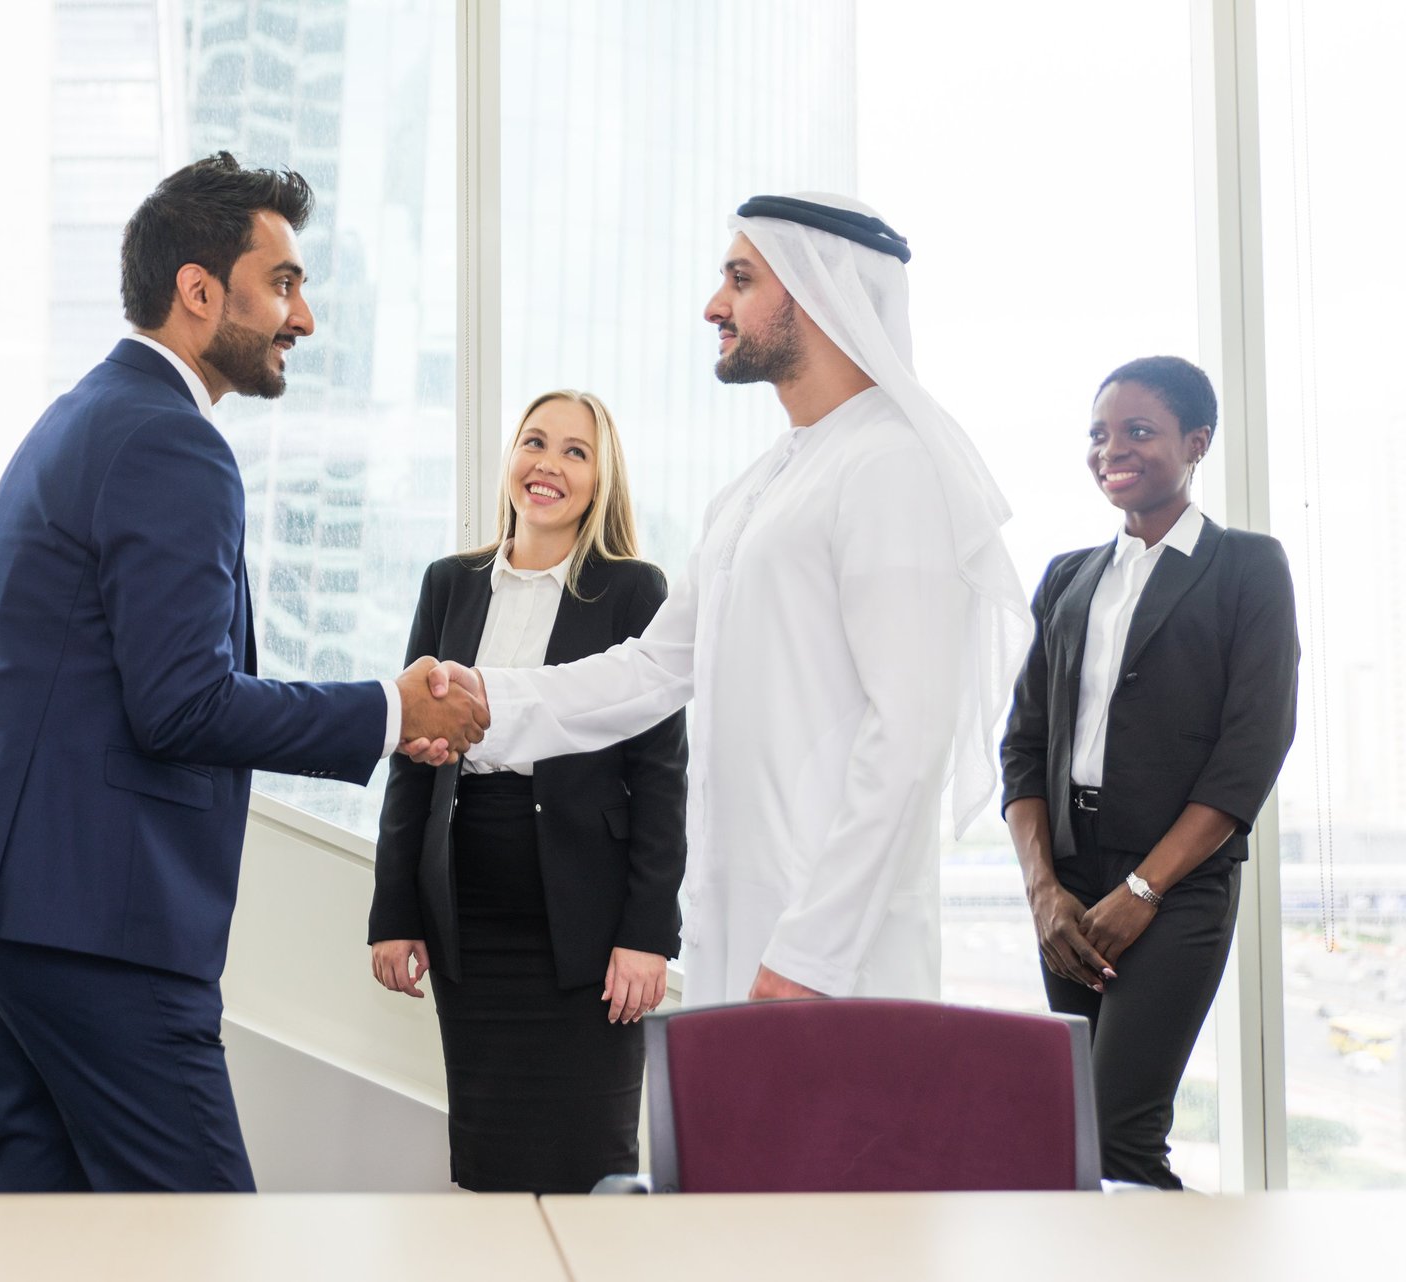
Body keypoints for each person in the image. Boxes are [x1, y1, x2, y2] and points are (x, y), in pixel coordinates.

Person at [0, 153, 488, 1194]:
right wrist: (392, 708)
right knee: (202, 1228)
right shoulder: (170, 442)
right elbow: (182, 703)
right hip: (83, 913)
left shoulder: (83, 413)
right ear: (199, 290)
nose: (302, 317)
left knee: (44, 1216)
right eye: (284, 281)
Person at [417, 194, 1030, 1005]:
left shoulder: (891, 465)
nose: (715, 305)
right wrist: (484, 693)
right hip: (746, 938)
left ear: (815, 294)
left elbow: (911, 733)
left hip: (833, 961)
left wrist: (814, 953)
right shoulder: (759, 488)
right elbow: (648, 672)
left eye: (740, 280)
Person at [369, 390, 688, 1193]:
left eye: (575, 452)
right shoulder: (450, 583)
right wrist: (395, 912)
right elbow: (411, 762)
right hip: (468, 921)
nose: (548, 464)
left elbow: (660, 776)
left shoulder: (633, 590)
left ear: (600, 479)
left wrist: (648, 933)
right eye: (535, 442)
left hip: (588, 925)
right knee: (488, 1163)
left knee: (591, 1167)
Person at [1001, 356, 1298, 1188]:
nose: (1111, 450)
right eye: (1099, 434)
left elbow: (1250, 754)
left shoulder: (1247, 568)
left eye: (1139, 431)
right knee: (1078, 1142)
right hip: (1066, 886)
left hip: (1178, 882)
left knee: (1121, 1138)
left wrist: (1143, 891)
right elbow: (1023, 747)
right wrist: (1042, 890)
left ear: (1196, 443)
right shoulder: (1068, 576)